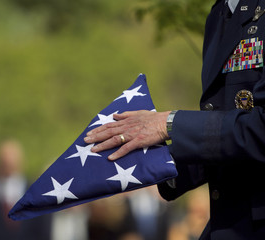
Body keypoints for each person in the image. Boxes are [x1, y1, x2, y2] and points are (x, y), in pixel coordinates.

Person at [84, 0, 265, 239]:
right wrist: (153, 159)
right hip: (230, 220)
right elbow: (223, 130)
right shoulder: (219, 14)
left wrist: (169, 123)